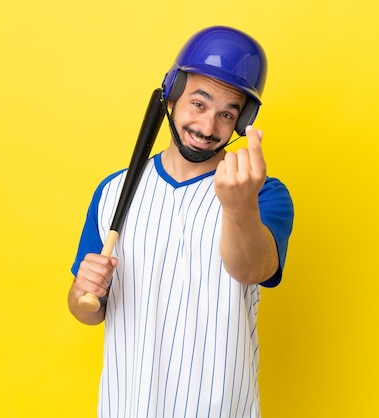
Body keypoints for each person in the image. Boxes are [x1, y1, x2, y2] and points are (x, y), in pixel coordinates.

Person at [68, 26, 294, 417]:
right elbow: (86, 308)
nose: (208, 128)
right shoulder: (114, 190)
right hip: (127, 405)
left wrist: (239, 207)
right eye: (199, 104)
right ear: (172, 97)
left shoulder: (263, 195)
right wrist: (83, 293)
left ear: (244, 122)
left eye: (228, 114)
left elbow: (253, 269)